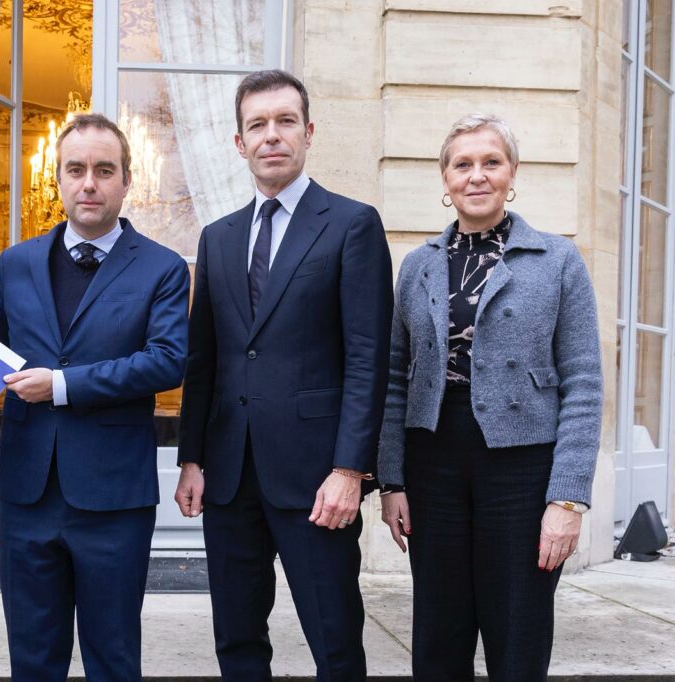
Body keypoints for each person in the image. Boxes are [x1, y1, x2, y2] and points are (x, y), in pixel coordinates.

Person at [0, 113, 189, 680]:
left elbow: (167, 360)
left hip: (113, 497)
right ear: (58, 179)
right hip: (28, 492)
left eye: (104, 170)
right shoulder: (17, 262)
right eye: (76, 169)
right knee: (32, 658)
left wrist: (62, 386)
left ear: (126, 180)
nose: (89, 182)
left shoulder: (163, 269)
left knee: (113, 657)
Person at [175, 69, 393, 681]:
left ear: (308, 131)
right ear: (239, 142)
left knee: (334, 640)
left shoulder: (352, 224)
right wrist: (191, 457)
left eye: (285, 121)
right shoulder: (217, 238)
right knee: (237, 638)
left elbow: (368, 358)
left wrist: (350, 470)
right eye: (257, 125)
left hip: (316, 478)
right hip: (228, 476)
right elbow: (204, 360)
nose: (271, 135)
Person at [377, 113, 603, 681]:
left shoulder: (558, 260)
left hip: (523, 468)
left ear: (512, 173)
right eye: (462, 164)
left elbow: (583, 383)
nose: (476, 175)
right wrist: (392, 480)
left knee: (518, 629)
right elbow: (395, 376)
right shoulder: (418, 266)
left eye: (490, 162)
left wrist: (567, 500)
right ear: (445, 179)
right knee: (439, 631)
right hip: (433, 462)